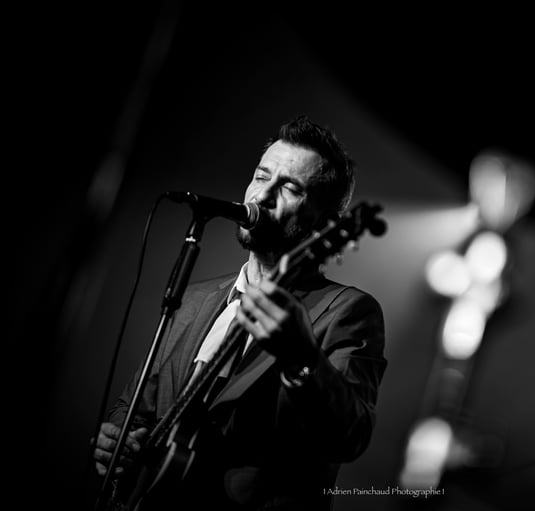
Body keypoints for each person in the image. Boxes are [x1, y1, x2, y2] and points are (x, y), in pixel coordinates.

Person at [93, 115, 387, 510]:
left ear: (325, 224)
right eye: (262, 176)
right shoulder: (194, 299)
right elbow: (137, 407)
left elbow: (350, 436)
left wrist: (301, 354)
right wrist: (117, 439)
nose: (262, 196)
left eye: (290, 188)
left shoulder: (347, 311)